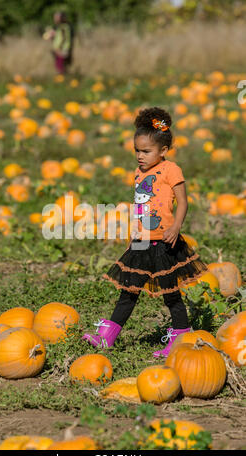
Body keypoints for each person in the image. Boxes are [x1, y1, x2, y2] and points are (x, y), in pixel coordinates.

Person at [82, 107, 209, 358]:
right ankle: (108, 336)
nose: (140, 156)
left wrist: (175, 227)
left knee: (170, 293)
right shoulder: (139, 173)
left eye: (146, 151)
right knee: (129, 288)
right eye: (137, 151)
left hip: (164, 241)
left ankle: (181, 335)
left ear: (163, 151)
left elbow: (183, 202)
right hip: (142, 240)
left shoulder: (171, 170)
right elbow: (141, 206)